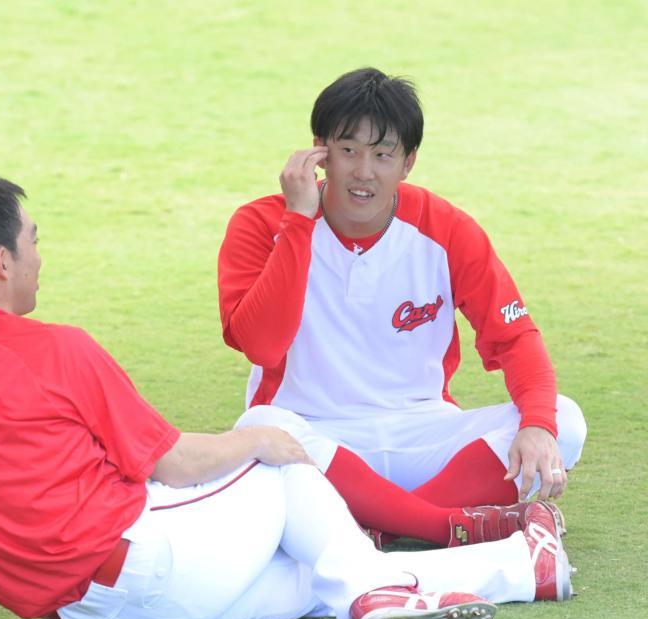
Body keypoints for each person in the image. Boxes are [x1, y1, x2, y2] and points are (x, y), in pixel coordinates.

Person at [0, 172, 572, 619]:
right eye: (33, 241)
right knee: (274, 454)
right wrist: (258, 442)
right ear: (0, 262)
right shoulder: (57, 348)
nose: (40, 256)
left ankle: (522, 566)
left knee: (314, 574)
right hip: (148, 568)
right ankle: (372, 588)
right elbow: (175, 463)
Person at [217, 68, 587, 548]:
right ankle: (440, 525)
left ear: (408, 162)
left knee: (562, 420)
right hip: (314, 437)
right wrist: (298, 221)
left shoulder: (446, 228)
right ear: (319, 151)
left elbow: (515, 339)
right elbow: (262, 347)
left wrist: (537, 426)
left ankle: (377, 524)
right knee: (259, 428)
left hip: (424, 434)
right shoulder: (261, 224)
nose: (363, 171)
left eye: (383, 154)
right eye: (348, 150)